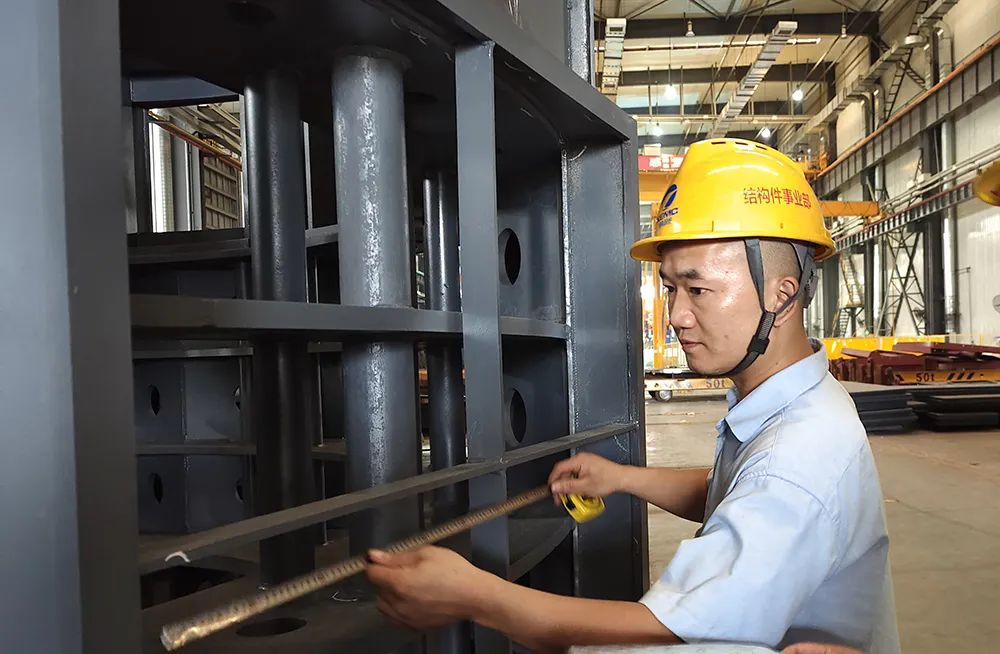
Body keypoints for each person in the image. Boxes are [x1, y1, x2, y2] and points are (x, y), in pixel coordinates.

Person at [366, 139, 899, 654]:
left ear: (780, 296)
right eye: (670, 288)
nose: (677, 316)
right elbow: (731, 491)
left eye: (698, 289)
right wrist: (621, 479)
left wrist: (474, 596)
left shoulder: (796, 457)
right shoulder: (798, 404)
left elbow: (670, 632)